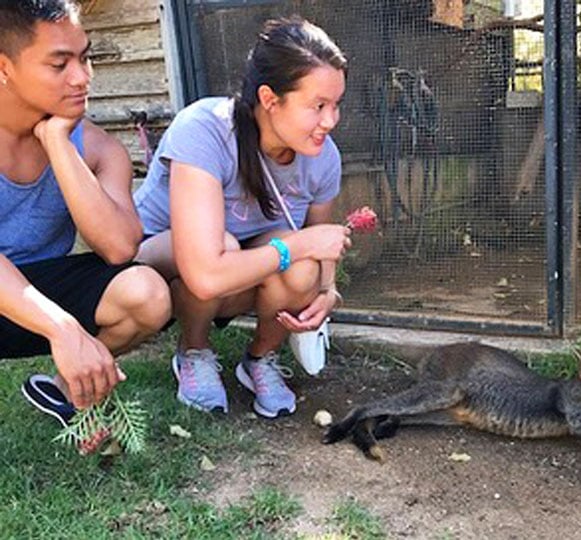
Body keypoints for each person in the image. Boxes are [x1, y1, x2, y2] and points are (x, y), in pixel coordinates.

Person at [134, 17, 352, 419]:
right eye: (318, 106)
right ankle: (193, 351)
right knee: (224, 248)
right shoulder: (205, 128)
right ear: (270, 99)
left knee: (302, 270)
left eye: (336, 105)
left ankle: (258, 360)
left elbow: (318, 242)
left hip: (239, 267)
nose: (331, 121)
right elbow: (205, 272)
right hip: (159, 265)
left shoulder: (323, 158)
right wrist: (300, 245)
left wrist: (327, 290)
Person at [0, 0, 171, 424]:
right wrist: (62, 326)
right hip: (22, 299)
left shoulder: (96, 147)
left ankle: (63, 390)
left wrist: (58, 142)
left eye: (85, 57)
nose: (82, 77)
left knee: (146, 294)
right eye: (59, 65)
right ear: (5, 68)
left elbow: (119, 248)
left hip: (38, 286)